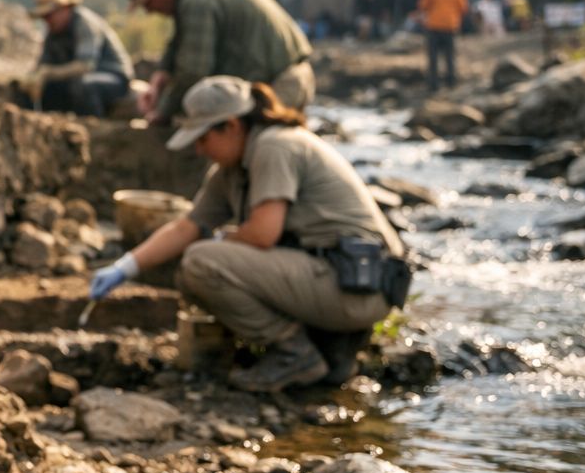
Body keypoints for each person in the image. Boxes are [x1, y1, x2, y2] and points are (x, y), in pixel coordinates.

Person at [87, 76, 410, 392]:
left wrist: (220, 240)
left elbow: (262, 234)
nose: (199, 150)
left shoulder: (274, 145)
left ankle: (293, 353)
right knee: (201, 255)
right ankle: (328, 349)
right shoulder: (232, 168)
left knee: (202, 262)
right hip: (344, 282)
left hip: (357, 286)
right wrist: (124, 267)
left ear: (231, 126)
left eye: (203, 138)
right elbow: (187, 226)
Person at [121, 0, 314, 126]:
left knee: (254, 147)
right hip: (288, 75)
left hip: (281, 83)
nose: (149, 10)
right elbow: (181, 41)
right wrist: (161, 75)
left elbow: (193, 73)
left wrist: (162, 114)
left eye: (147, 1)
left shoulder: (198, 1)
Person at [21, 0, 135, 116]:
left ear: (64, 9)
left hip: (113, 77)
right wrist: (33, 78)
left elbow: (85, 66)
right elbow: (44, 62)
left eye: (49, 16)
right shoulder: (53, 33)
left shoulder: (84, 23)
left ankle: (93, 126)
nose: (47, 21)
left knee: (84, 86)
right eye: (44, 17)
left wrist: (49, 72)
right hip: (80, 80)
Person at [416, 0, 467, 91]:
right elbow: (463, 8)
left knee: (433, 57)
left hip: (434, 26)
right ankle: (451, 83)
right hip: (451, 26)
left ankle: (434, 85)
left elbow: (423, 6)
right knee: (450, 56)